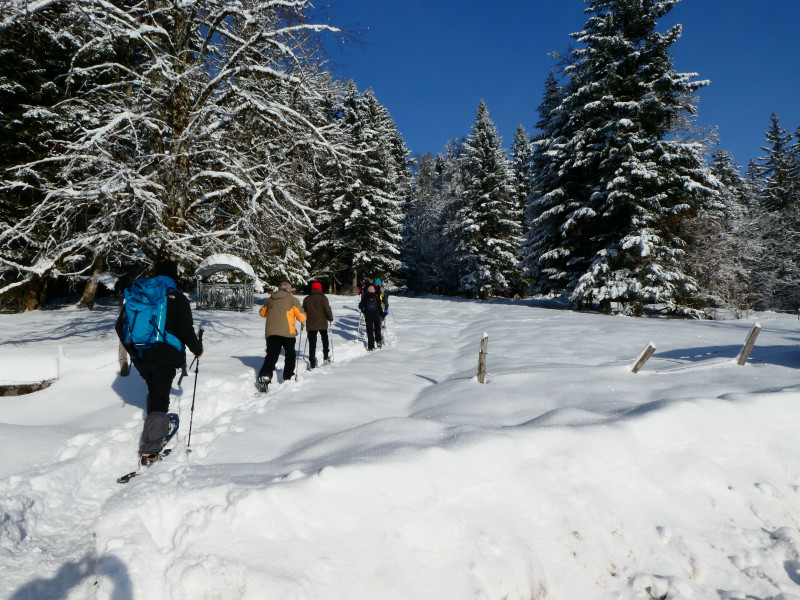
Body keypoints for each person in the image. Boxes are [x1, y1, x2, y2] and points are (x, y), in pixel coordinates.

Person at [115, 260, 203, 465]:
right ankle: (151, 449)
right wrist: (197, 349)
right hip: (166, 356)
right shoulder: (177, 297)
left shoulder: (139, 293)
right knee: (159, 400)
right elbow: (186, 330)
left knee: (155, 390)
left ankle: (154, 427)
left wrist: (133, 351)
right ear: (174, 276)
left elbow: (120, 326)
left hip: (141, 355)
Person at [258, 281, 307, 387]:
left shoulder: (270, 299)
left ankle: (265, 375)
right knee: (290, 354)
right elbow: (302, 317)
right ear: (288, 290)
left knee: (271, 354)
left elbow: (262, 313)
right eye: (290, 289)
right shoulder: (293, 300)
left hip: (271, 332)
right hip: (287, 332)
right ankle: (288, 376)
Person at [302, 281, 333, 368]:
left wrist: (303, 320)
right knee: (325, 339)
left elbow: (303, 311)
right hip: (322, 322)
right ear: (320, 288)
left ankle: (312, 360)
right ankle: (326, 357)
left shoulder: (307, 299)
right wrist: (330, 318)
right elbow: (327, 309)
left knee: (312, 343)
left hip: (311, 323)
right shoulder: (323, 298)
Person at [358, 283, 383, 350]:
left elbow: (360, 306)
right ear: (374, 290)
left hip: (368, 316)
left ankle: (371, 346)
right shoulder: (376, 297)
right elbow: (379, 307)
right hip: (376, 315)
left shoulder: (365, 297)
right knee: (377, 329)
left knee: (370, 331)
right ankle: (378, 342)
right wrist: (382, 315)